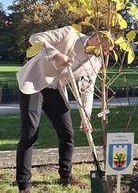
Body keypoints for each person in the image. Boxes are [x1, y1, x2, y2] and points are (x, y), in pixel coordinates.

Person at [16, 25, 110, 193]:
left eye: (105, 51)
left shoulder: (95, 62)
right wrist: (56, 54)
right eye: (101, 48)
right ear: (95, 37)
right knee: (30, 132)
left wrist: (86, 117)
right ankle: (24, 185)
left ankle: (65, 175)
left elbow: (87, 90)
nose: (101, 53)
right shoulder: (69, 34)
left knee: (67, 134)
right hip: (34, 83)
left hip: (55, 89)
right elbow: (35, 38)